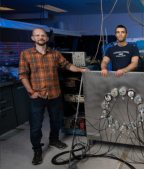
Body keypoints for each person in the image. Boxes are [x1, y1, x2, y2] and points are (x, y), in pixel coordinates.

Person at [18, 28, 90, 165]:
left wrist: (81, 69)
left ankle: (54, 140)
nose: (40, 37)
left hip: (54, 94)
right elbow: (23, 75)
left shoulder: (55, 53)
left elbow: (66, 65)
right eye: (37, 35)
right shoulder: (26, 54)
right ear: (33, 38)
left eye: (43, 35)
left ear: (46, 38)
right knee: (35, 125)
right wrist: (31, 92)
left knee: (55, 120)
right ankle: (37, 150)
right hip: (37, 95)